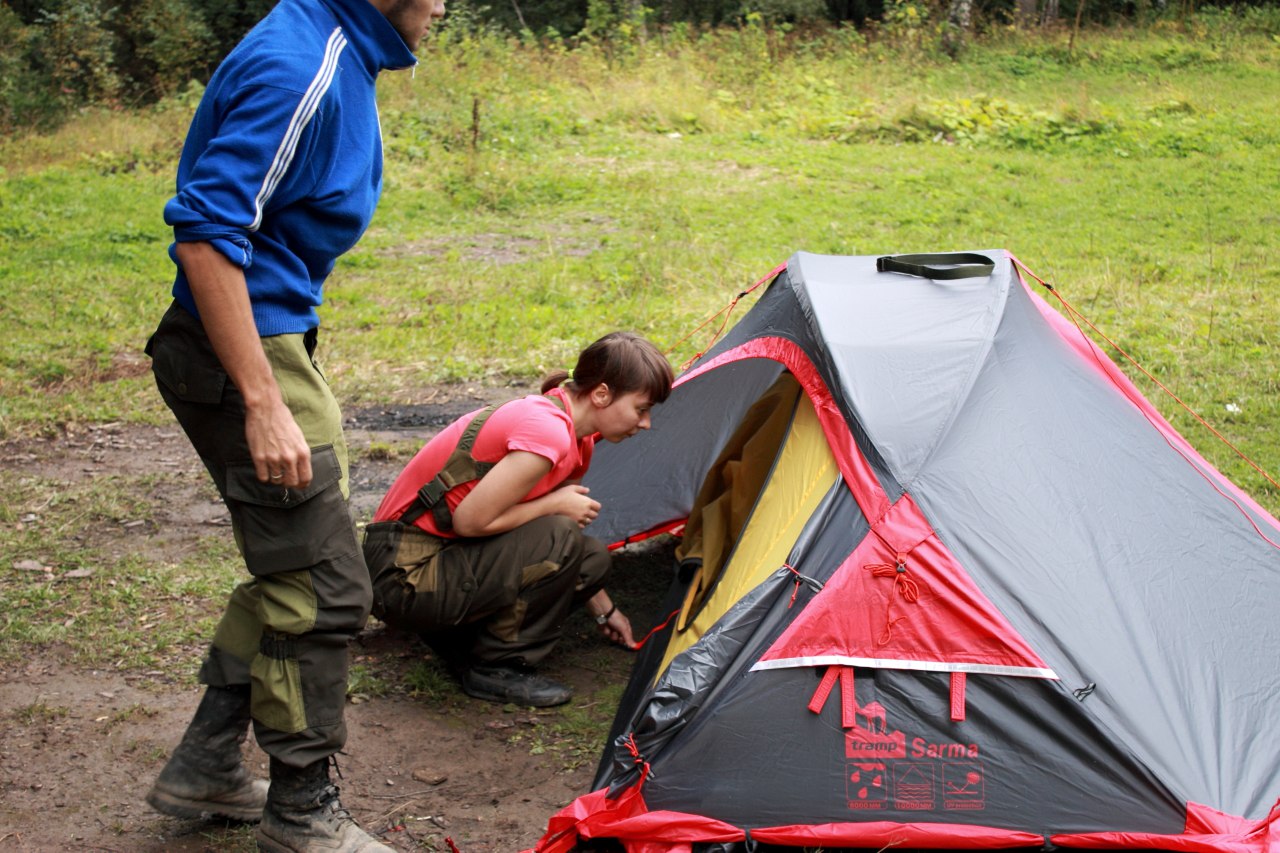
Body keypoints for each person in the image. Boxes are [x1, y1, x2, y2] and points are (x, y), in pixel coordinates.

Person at [143, 0, 445, 850]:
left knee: (296, 570)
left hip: (265, 339)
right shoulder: (298, 67)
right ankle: (301, 813)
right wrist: (264, 398)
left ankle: (205, 763)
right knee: (326, 591)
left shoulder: (338, 49)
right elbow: (205, 236)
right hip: (242, 350)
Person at [362, 332, 673, 707]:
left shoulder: (578, 440)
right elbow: (470, 522)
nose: (646, 423)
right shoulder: (549, 431)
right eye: (641, 409)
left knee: (590, 559)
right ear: (602, 394)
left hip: (437, 559)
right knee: (558, 533)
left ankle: (460, 639)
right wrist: (553, 504)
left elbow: (547, 538)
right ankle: (493, 667)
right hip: (402, 575)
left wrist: (605, 611)